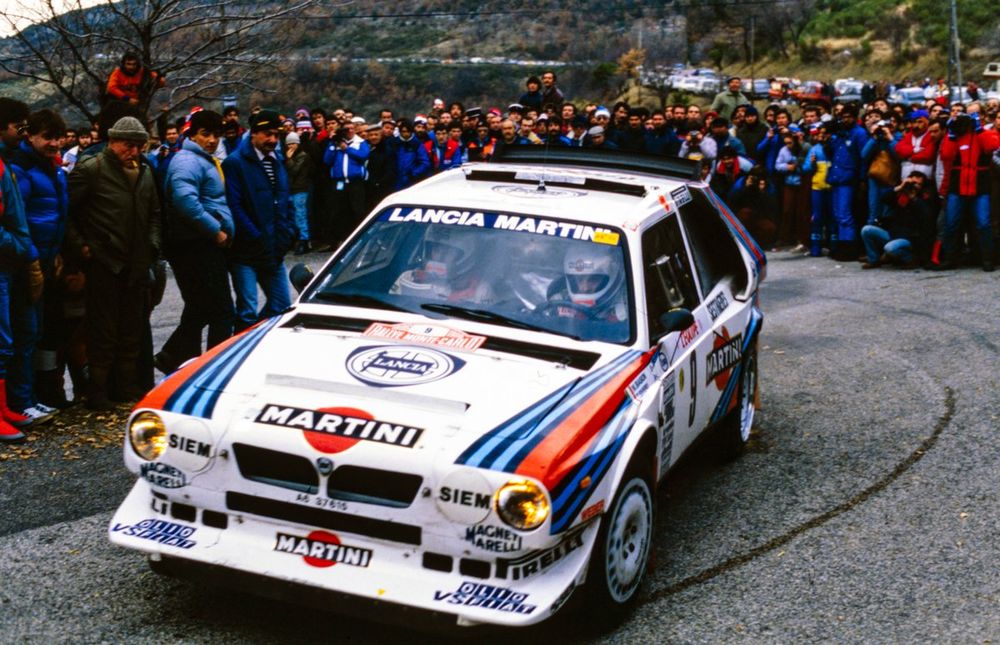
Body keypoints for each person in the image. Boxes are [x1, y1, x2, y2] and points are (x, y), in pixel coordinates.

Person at [65, 116, 161, 409]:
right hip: (104, 262)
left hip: (137, 262)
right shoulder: (91, 169)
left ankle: (126, 389)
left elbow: (155, 212)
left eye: (138, 146)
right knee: (102, 332)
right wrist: (82, 248)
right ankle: (97, 393)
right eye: (127, 145)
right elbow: (66, 212)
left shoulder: (144, 171)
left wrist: (153, 245)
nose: (133, 151)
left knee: (131, 330)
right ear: (112, 141)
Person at [155, 110, 235, 374]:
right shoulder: (188, 161)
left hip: (196, 243)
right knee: (221, 310)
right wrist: (216, 231)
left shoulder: (201, 159)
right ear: (192, 134)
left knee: (199, 307)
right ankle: (214, 366)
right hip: (196, 244)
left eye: (216, 134)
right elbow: (186, 202)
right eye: (205, 134)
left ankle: (175, 359)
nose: (212, 140)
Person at [8, 109, 69, 422]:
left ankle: (32, 396)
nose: (55, 142)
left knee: (39, 331)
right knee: (25, 332)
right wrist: (32, 256)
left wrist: (55, 252)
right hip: (25, 261)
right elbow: (20, 219)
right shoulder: (23, 169)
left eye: (58, 137)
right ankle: (20, 402)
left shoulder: (52, 168)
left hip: (45, 257)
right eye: (47, 137)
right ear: (29, 136)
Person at [223, 110, 296, 331]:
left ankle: (257, 338)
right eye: (267, 134)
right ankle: (241, 351)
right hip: (246, 252)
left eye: (276, 135)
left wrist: (290, 231)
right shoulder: (235, 163)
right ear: (253, 134)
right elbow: (234, 206)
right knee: (247, 311)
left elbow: (285, 200)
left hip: (274, 249)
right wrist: (255, 236)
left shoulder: (278, 161)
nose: (272, 140)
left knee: (282, 306)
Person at [0, 98, 36, 441]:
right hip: (3, 259)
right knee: (0, 339)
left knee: (7, 338)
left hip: (7, 263)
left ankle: (4, 407)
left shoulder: (5, 161)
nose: (23, 135)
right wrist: (17, 243)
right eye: (19, 128)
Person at [936, 113, 1000, 271]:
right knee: (951, 224)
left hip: (980, 186)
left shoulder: (985, 134)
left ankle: (988, 259)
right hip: (958, 186)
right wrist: (951, 134)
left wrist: (979, 130)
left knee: (984, 224)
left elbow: (991, 146)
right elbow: (946, 155)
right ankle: (950, 258)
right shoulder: (955, 137)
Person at [390, 227, 494, 304]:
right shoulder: (409, 278)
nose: (439, 257)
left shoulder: (480, 289)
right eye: (436, 249)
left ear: (467, 255)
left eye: (448, 251)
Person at [860, 171, 936, 269]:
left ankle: (911, 258)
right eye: (912, 183)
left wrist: (914, 198)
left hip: (910, 238)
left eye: (918, 184)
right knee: (866, 230)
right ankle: (873, 259)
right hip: (893, 233)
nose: (914, 186)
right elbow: (884, 198)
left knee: (889, 248)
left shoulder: (924, 197)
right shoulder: (901, 195)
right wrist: (900, 187)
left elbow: (927, 214)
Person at [547, 244, 626, 322]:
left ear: (613, 278)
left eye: (593, 279)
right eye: (579, 279)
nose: (584, 288)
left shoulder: (625, 308)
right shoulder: (560, 302)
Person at [323, 120, 370, 241]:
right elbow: (327, 160)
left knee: (357, 210)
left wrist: (347, 149)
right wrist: (333, 144)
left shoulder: (360, 142)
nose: (349, 131)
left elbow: (363, 155)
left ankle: (360, 238)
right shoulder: (336, 143)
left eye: (351, 128)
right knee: (339, 210)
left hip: (355, 182)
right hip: (340, 182)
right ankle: (339, 239)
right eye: (346, 129)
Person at [284, 131, 315, 254]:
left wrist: (288, 158)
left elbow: (294, 170)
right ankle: (296, 240)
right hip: (291, 189)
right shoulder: (289, 156)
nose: (291, 146)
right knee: (292, 215)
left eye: (293, 143)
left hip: (300, 189)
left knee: (300, 215)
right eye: (289, 144)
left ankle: (305, 240)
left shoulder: (302, 156)